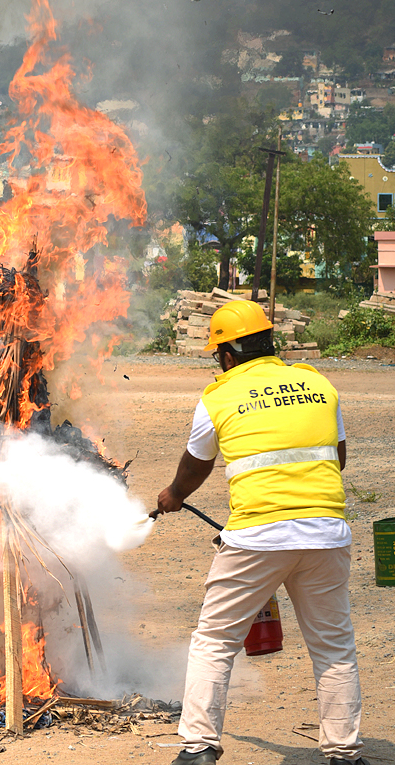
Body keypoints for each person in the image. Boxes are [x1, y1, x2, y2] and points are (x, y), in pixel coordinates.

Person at [155, 299, 366, 765]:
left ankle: (198, 748)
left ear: (228, 354)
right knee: (333, 645)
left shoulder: (218, 397)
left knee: (214, 640)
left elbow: (196, 465)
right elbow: (338, 457)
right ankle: (344, 753)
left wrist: (173, 495)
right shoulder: (318, 384)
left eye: (217, 355)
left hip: (257, 538)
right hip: (326, 532)